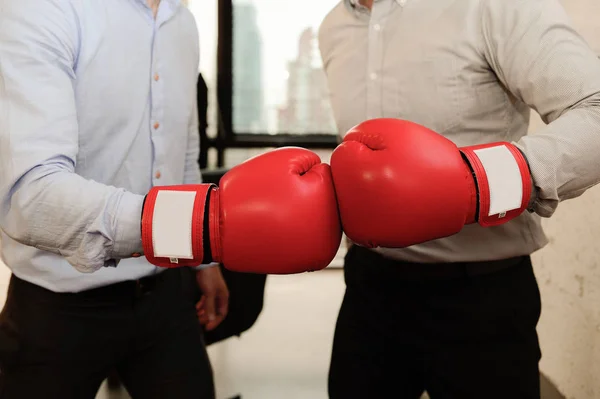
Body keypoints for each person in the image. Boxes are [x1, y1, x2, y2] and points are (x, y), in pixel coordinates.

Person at [0, 1, 342, 398]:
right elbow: (31, 194)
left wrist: (205, 262)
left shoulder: (182, 21)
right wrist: (205, 227)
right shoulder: (44, 9)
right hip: (56, 305)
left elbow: (182, 152)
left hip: (163, 292)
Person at [318, 0, 600, 398]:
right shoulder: (334, 27)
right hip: (369, 288)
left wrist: (480, 184)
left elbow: (596, 109)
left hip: (482, 297)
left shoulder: (492, 5)